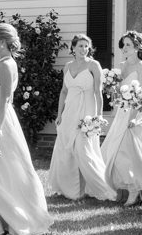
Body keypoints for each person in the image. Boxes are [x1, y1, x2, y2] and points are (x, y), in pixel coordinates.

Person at [0, 22, 54, 235]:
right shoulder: (1, 63)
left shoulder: (6, 65)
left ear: (2, 42)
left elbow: (6, 100)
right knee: (0, 172)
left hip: (0, 126)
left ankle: (6, 223)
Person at [48, 34, 115, 201]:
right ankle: (71, 190)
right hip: (69, 109)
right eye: (80, 46)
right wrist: (59, 114)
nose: (84, 49)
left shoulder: (94, 65)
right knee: (65, 149)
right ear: (73, 47)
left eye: (86, 46)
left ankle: (102, 187)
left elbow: (98, 92)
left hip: (86, 109)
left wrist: (98, 116)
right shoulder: (68, 66)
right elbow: (63, 91)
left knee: (84, 150)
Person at [101, 30, 142, 206]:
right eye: (123, 44)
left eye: (128, 45)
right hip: (121, 113)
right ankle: (133, 188)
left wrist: (134, 117)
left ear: (137, 47)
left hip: (135, 114)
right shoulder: (122, 66)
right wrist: (110, 88)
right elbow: (118, 92)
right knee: (115, 152)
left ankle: (136, 189)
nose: (124, 48)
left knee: (129, 153)